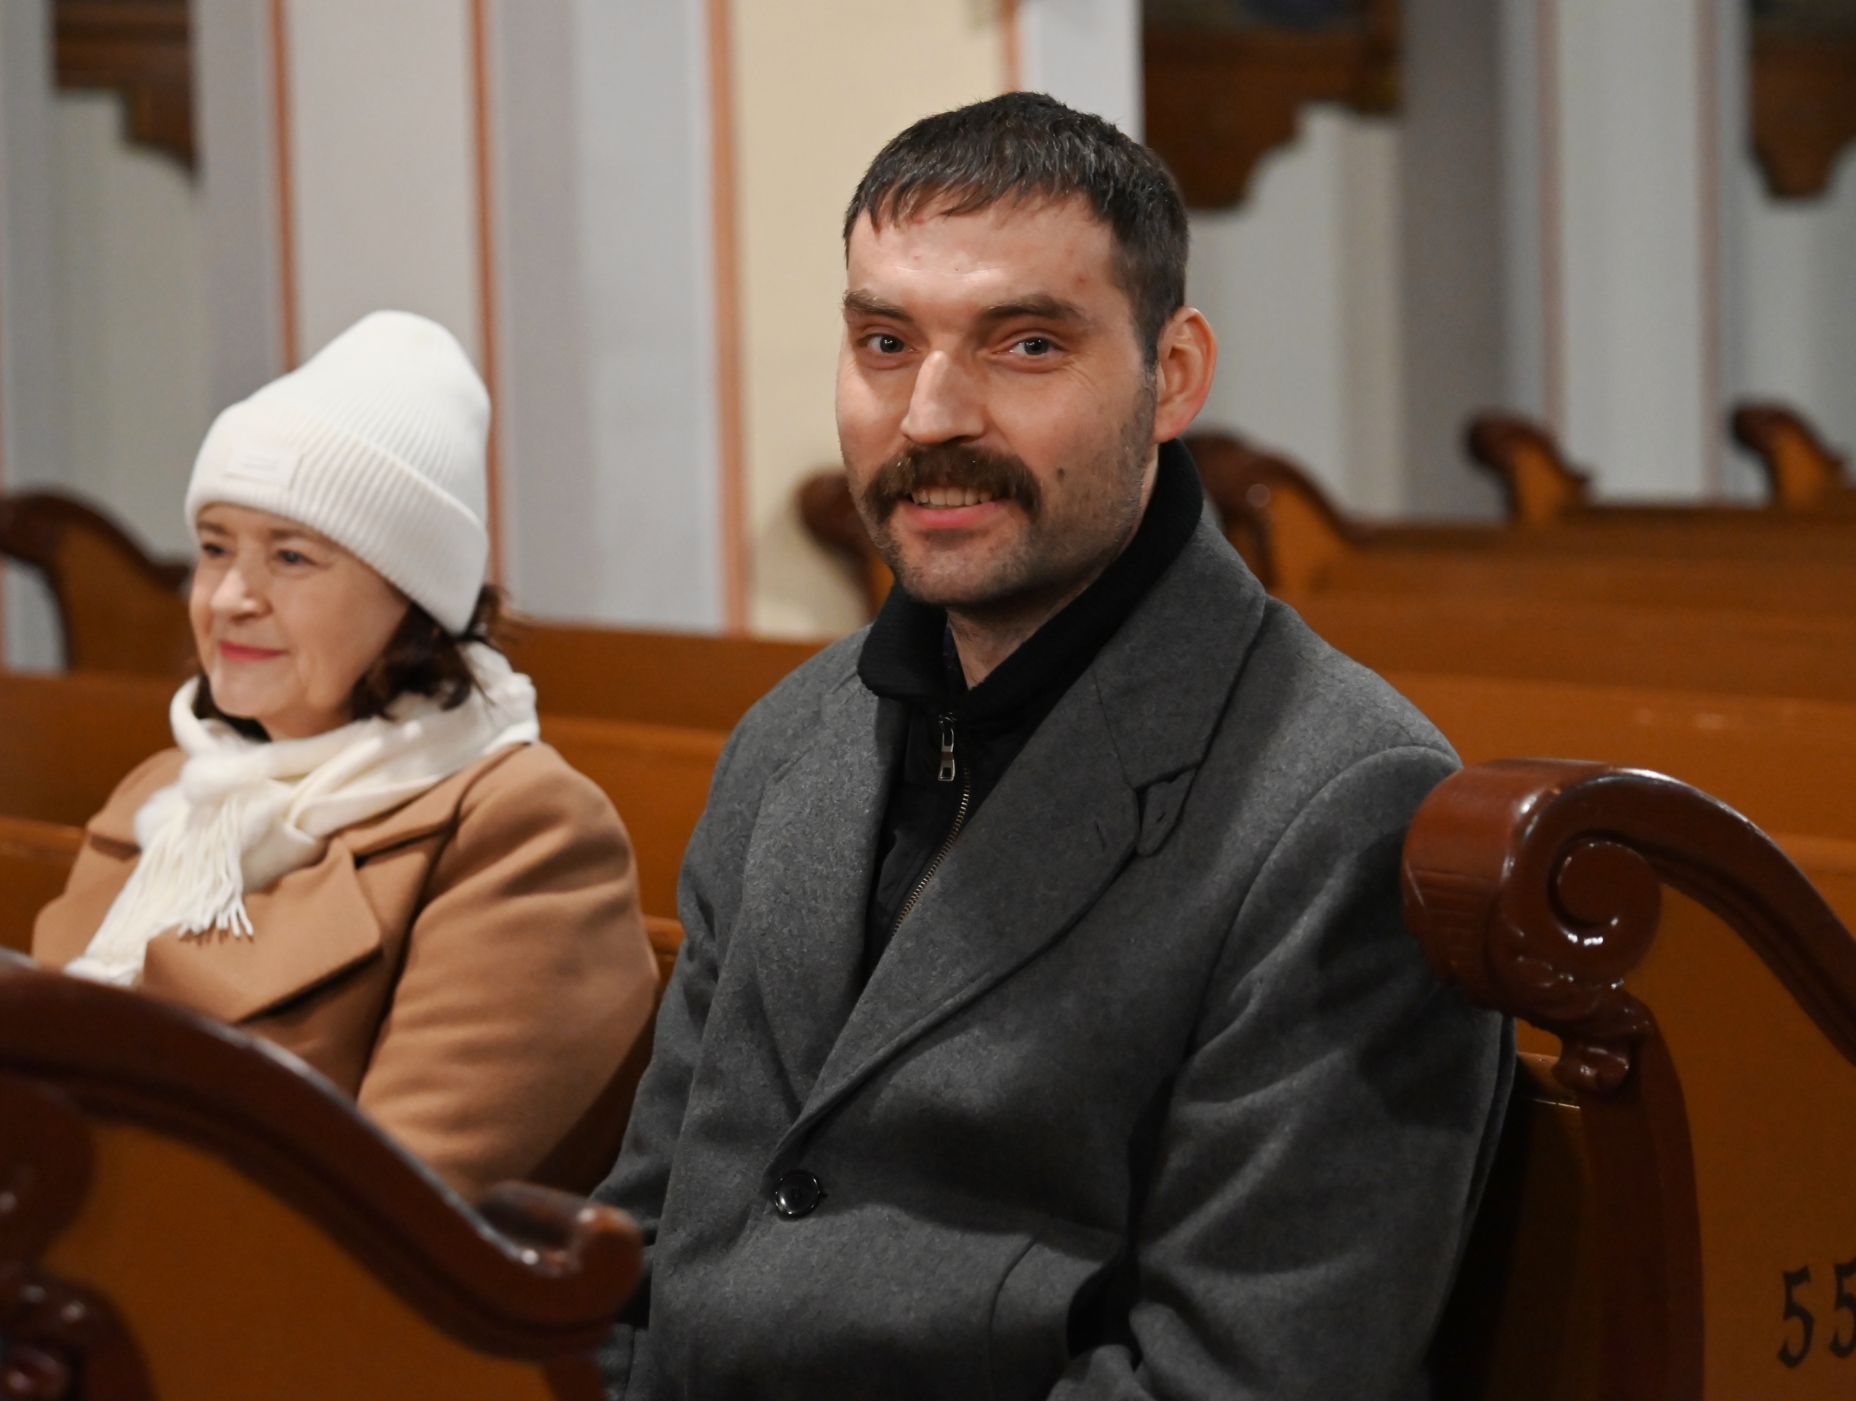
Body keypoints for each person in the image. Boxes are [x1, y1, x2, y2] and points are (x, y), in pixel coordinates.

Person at [594, 93, 1512, 1399]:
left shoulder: (1339, 808)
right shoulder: (790, 739)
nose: (930, 415)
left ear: (1172, 374)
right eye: (884, 342)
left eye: (1025, 344)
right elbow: (636, 1252)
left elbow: (1243, 1376)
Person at [33, 311, 657, 1201]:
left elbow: (398, 1212)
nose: (231, 596)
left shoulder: (522, 827)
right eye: (214, 548)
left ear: (411, 597)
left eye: (292, 557)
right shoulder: (170, 794)